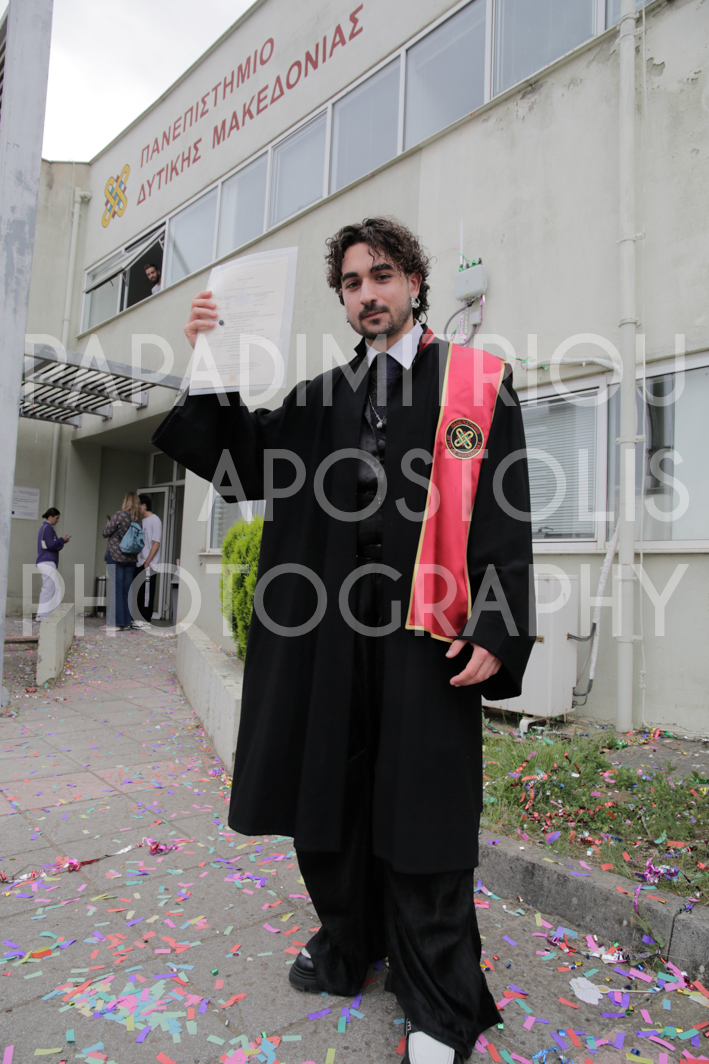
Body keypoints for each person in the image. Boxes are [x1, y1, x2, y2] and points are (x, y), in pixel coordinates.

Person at [153, 217, 535, 1064]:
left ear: (414, 283)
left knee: (423, 809)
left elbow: (503, 512)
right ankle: (348, 939)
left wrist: (498, 624)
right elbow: (241, 464)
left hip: (426, 629)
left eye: (382, 275)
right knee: (327, 794)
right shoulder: (318, 397)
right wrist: (210, 361)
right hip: (327, 627)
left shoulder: (475, 384)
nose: (368, 293)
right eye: (353, 282)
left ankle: (437, 1001)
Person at [102, 491, 142, 632]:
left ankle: (114, 623)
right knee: (126, 591)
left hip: (116, 556)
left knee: (116, 590)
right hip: (131, 558)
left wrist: (108, 524)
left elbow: (105, 532)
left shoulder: (119, 515)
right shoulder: (138, 519)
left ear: (126, 502)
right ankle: (125, 622)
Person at [36, 507, 69, 620]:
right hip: (47, 561)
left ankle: (44, 613)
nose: (58, 520)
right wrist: (62, 540)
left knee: (51, 587)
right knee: (49, 588)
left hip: (44, 561)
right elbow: (51, 545)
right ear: (50, 517)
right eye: (57, 518)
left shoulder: (44, 528)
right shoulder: (48, 528)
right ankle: (43, 614)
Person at [134, 493, 162, 625]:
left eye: (138, 505)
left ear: (144, 506)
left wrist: (147, 561)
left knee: (147, 592)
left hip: (149, 563)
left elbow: (156, 543)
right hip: (140, 561)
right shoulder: (141, 521)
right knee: (138, 591)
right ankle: (137, 618)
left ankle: (145, 619)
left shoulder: (155, 520)